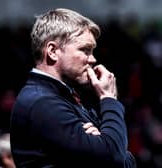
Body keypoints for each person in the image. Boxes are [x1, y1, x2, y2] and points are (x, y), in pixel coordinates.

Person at [10, 8, 137, 168]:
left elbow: (123, 159)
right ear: (53, 51)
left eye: (92, 51)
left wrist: (109, 146)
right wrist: (108, 98)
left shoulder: (61, 95)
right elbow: (114, 157)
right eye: (85, 50)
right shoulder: (43, 103)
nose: (93, 59)